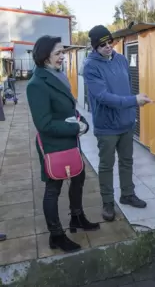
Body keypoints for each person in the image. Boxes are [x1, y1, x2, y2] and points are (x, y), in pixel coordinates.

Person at [27, 35, 100, 253]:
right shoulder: (37, 84)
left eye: (63, 52)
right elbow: (44, 124)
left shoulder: (58, 76)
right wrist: (74, 128)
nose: (63, 57)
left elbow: (68, 108)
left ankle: (77, 218)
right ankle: (56, 235)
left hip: (69, 141)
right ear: (45, 56)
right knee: (53, 188)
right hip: (53, 145)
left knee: (78, 177)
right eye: (58, 53)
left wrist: (81, 120)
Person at [83, 25, 152, 222]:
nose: (107, 46)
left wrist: (132, 106)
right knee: (106, 165)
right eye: (102, 44)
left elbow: (127, 88)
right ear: (95, 46)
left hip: (126, 122)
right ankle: (108, 203)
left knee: (127, 161)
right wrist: (133, 101)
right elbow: (103, 97)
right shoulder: (90, 66)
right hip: (107, 126)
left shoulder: (121, 59)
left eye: (110, 42)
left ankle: (127, 194)